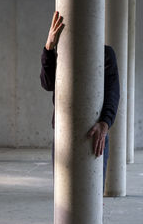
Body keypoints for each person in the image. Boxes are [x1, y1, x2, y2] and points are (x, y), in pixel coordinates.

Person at [40, 11, 120, 191]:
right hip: (63, 132)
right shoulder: (60, 54)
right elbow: (47, 83)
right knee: (64, 194)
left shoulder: (105, 54)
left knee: (92, 195)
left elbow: (113, 92)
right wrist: (48, 47)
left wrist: (105, 123)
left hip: (94, 133)